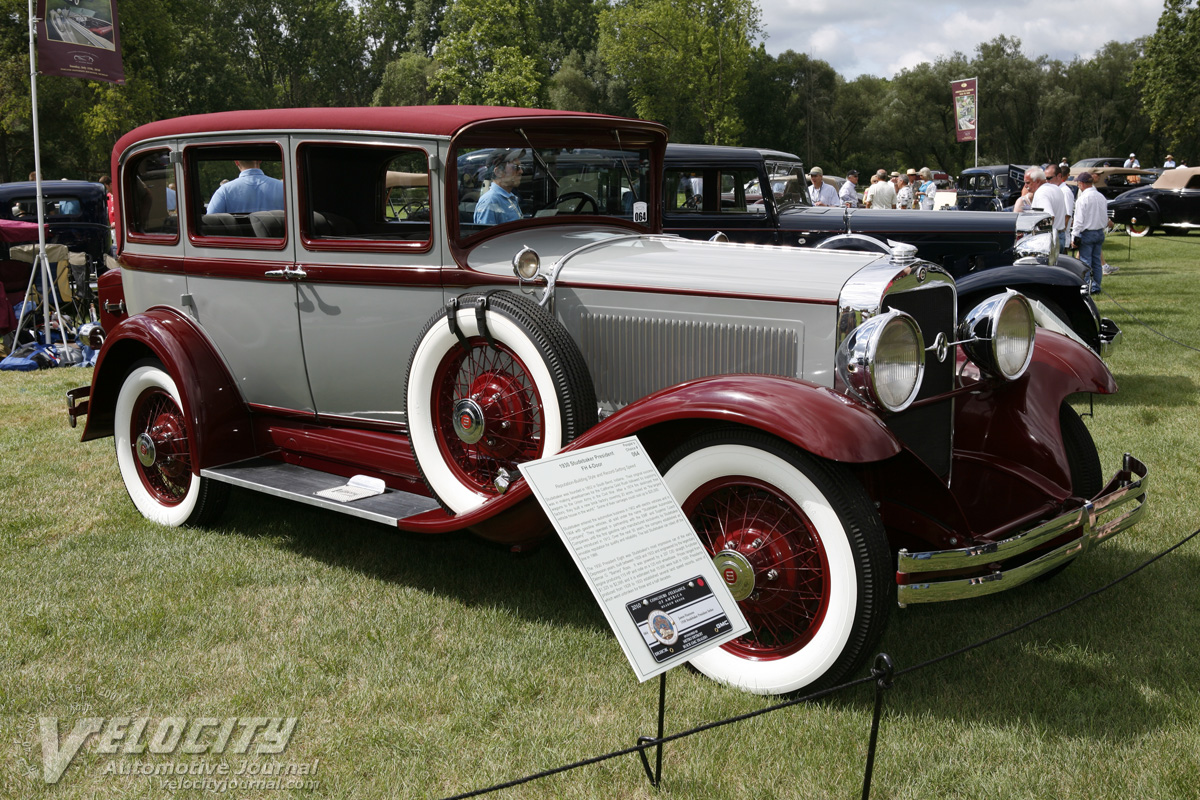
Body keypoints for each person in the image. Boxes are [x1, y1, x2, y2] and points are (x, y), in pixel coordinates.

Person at [1071, 172, 1108, 293]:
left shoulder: (1082, 199)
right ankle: (1096, 286)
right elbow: (1104, 217)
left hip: (1087, 232)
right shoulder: (1101, 197)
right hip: (1099, 231)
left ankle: (1087, 286)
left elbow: (1079, 220)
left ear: (1081, 184)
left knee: (1086, 262)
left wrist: (1074, 236)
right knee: (1096, 261)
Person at [207, 160, 284, 214]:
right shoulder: (283, 188)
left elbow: (210, 222)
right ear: (260, 160)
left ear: (236, 162)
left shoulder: (224, 191)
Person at [473, 148, 525, 225]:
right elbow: (487, 236)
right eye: (515, 167)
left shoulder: (510, 197)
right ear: (498, 172)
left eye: (520, 167)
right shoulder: (490, 201)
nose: (521, 171)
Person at [1025, 166, 1066, 249]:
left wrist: (1040, 238)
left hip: (1049, 240)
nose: (1025, 186)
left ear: (1037, 181)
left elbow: (1049, 217)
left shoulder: (1041, 193)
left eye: (1028, 183)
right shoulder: (1055, 188)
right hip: (1059, 235)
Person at [1046, 164, 1074, 246]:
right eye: (1045, 178)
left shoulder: (1065, 191)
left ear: (1059, 176)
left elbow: (1067, 215)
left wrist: (1061, 232)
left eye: (1049, 178)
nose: (1047, 181)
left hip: (1060, 235)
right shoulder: (1057, 190)